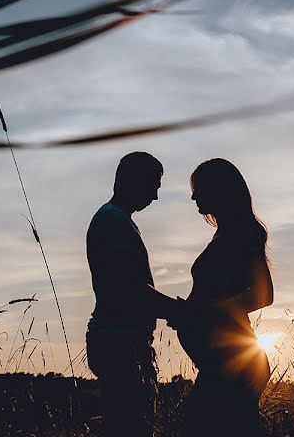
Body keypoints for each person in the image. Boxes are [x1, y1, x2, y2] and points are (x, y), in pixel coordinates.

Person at [172, 158, 274, 437]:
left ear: (220, 190)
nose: (193, 196)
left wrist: (202, 313)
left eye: (200, 189)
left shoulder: (244, 233)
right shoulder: (224, 234)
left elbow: (263, 295)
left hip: (236, 362)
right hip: (221, 361)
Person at [85, 151, 179, 437]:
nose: (155, 197)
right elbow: (130, 290)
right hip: (120, 342)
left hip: (120, 339)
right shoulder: (114, 221)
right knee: (132, 426)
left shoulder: (118, 219)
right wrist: (181, 312)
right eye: (154, 186)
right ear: (133, 181)